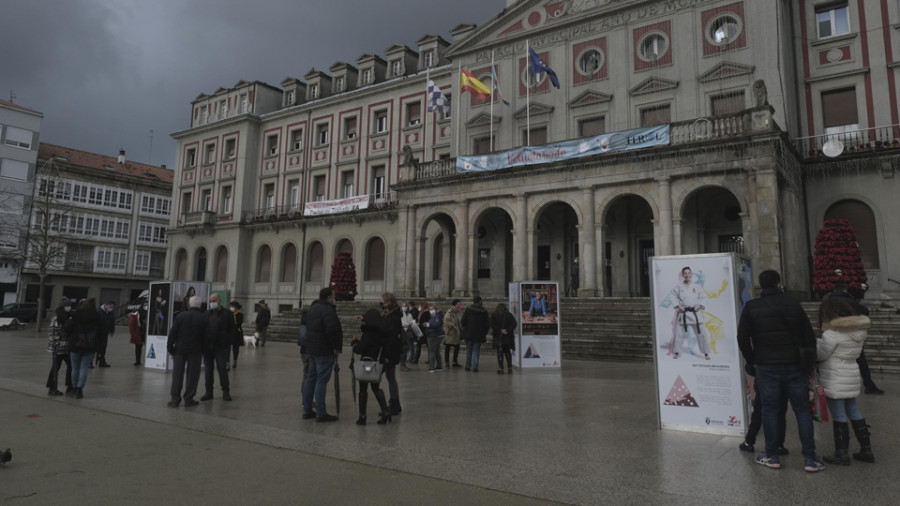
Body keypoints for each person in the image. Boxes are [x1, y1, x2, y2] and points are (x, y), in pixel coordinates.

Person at [737, 270, 825, 473]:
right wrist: (808, 364)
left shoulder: (752, 307)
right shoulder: (793, 304)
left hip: (766, 366)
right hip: (794, 365)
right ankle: (810, 459)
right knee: (802, 411)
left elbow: (742, 338)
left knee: (769, 410)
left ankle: (772, 456)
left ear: (761, 285)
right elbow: (808, 337)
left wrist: (752, 360)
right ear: (779, 283)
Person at [817, 297, 875, 465]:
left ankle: (841, 454)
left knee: (839, 414)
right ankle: (867, 450)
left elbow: (821, 354)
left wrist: (816, 343)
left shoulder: (831, 334)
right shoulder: (859, 331)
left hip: (834, 375)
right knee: (854, 410)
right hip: (851, 372)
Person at [823, 284, 884, 395]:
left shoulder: (827, 301)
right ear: (845, 290)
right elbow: (865, 312)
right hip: (851, 334)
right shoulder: (850, 301)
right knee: (860, 360)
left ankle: (830, 385)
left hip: (833, 333)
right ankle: (868, 384)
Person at [301, 287, 342, 422]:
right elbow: (333, 330)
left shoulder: (313, 308)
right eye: (333, 296)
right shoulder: (328, 310)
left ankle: (307, 410)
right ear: (329, 298)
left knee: (310, 378)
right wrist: (336, 347)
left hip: (311, 348)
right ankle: (321, 412)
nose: (334, 299)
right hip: (323, 349)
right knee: (321, 380)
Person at [166, 295, 209, 407]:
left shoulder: (181, 316)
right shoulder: (203, 317)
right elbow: (206, 337)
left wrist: (170, 348)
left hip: (180, 350)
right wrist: (204, 350)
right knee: (193, 375)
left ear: (189, 304)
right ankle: (189, 399)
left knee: (177, 375)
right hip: (195, 350)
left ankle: (175, 399)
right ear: (200, 305)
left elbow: (173, 333)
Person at [351, 308, 391, 425]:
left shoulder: (368, 333)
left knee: (363, 390)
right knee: (376, 388)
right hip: (377, 364)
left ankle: (362, 416)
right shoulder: (382, 332)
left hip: (366, 364)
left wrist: (355, 343)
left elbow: (360, 349)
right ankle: (385, 411)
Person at [739, 364, 790, 456]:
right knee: (780, 416)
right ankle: (779, 446)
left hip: (765, 382)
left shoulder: (761, 349)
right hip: (783, 382)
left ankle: (749, 442)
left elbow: (750, 367)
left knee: (758, 415)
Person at [668, 266, 712, 360]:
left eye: (689, 273)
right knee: (678, 334)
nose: (687, 275)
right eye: (685, 273)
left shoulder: (697, 286)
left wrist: (699, 305)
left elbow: (704, 297)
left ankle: (706, 353)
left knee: (702, 334)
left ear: (691, 274)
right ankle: (676, 352)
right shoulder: (678, 286)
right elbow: (672, 296)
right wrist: (678, 306)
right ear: (682, 275)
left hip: (695, 313)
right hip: (683, 313)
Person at [64, 299, 105, 399]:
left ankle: (73, 387)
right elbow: (102, 332)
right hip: (90, 346)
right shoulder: (97, 316)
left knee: (75, 368)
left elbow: (67, 329)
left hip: (75, 345)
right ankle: (79, 390)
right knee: (84, 368)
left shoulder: (75, 315)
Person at [202, 293, 235, 401]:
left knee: (222, 370)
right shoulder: (206, 314)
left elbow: (232, 330)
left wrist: (226, 341)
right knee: (208, 371)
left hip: (222, 347)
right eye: (210, 301)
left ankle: (226, 392)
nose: (212, 303)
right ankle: (208, 392)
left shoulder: (228, 314)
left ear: (219, 301)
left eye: (214, 301)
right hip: (207, 347)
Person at [380, 293, 403, 415]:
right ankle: (395, 403)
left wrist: (387, 355)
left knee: (389, 377)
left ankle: (393, 404)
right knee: (390, 377)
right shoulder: (389, 315)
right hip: (388, 351)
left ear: (388, 302)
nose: (382, 304)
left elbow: (392, 338)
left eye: (383, 301)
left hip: (390, 352)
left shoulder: (394, 318)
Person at [46, 297, 73, 396]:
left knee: (71, 367)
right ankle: (52, 388)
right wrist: (56, 344)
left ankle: (70, 387)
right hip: (58, 348)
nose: (69, 307)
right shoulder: (56, 317)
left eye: (70, 306)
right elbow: (52, 333)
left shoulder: (69, 317)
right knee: (56, 367)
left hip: (67, 348)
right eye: (67, 306)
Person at [461, 295, 490, 372]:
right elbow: (487, 324)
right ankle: (475, 367)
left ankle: (467, 366)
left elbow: (463, 321)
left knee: (469, 350)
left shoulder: (468, 310)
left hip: (469, 333)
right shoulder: (484, 311)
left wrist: (466, 329)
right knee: (476, 351)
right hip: (479, 334)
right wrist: (484, 332)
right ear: (480, 301)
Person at [491, 303, 517, 374]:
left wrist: (500, 330)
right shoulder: (509, 315)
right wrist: (507, 330)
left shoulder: (494, 315)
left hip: (498, 337)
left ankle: (501, 368)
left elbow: (492, 325)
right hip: (507, 337)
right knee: (507, 352)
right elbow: (514, 324)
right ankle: (509, 368)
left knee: (500, 353)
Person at [94, 300, 116, 367]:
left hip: (104, 332)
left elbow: (112, 322)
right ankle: (90, 362)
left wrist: (111, 331)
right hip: (97, 332)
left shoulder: (111, 313)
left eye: (112, 307)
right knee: (95, 347)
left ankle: (102, 361)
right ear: (106, 305)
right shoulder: (98, 311)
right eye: (110, 306)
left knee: (103, 347)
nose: (111, 308)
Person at [443, 299, 463, 368]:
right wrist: (452, 325)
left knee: (457, 347)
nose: (459, 306)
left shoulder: (459, 312)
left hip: (456, 333)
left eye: (460, 304)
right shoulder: (450, 312)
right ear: (454, 305)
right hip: (450, 333)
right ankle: (447, 362)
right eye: (458, 304)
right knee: (448, 348)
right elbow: (446, 320)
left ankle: (455, 362)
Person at [424, 304, 445, 372]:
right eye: (429, 309)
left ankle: (431, 367)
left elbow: (436, 324)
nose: (430, 311)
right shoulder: (434, 316)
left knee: (432, 351)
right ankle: (439, 366)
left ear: (435, 310)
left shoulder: (437, 316)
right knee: (436, 351)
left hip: (435, 335)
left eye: (432, 309)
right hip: (435, 334)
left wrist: (428, 324)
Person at [128, 300, 147, 367]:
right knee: (138, 347)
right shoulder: (136, 315)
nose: (146, 306)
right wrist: (133, 334)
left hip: (146, 333)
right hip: (139, 333)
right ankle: (138, 361)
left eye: (147, 305)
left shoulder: (149, 313)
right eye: (145, 305)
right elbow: (131, 325)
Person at [230, 301, 244, 369]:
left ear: (236, 307)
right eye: (231, 306)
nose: (231, 308)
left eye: (233, 306)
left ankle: (235, 360)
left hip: (237, 333)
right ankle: (227, 361)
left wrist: (232, 325)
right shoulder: (229, 314)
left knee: (235, 348)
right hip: (229, 333)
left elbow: (239, 324)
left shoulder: (240, 315)